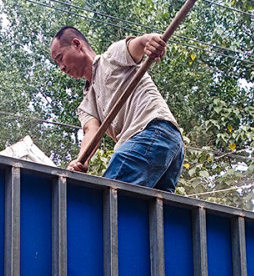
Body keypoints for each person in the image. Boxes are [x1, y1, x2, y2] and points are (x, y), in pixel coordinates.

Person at [50, 26, 185, 192]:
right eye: (57, 64)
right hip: (171, 146)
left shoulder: (111, 58)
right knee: (151, 214)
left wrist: (149, 41)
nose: (61, 67)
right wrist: (81, 161)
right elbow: (91, 132)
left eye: (60, 58)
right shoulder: (86, 105)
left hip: (151, 132)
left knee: (106, 200)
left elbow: (136, 46)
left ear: (77, 44)